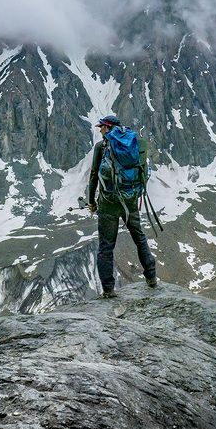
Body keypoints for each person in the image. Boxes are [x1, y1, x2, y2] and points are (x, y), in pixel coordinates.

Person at [88, 114, 157, 298]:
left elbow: (94, 175)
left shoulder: (101, 147)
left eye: (101, 127)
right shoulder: (135, 143)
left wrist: (91, 202)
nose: (100, 130)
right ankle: (151, 277)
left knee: (105, 247)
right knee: (139, 238)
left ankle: (108, 289)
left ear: (108, 127)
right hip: (130, 200)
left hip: (108, 204)